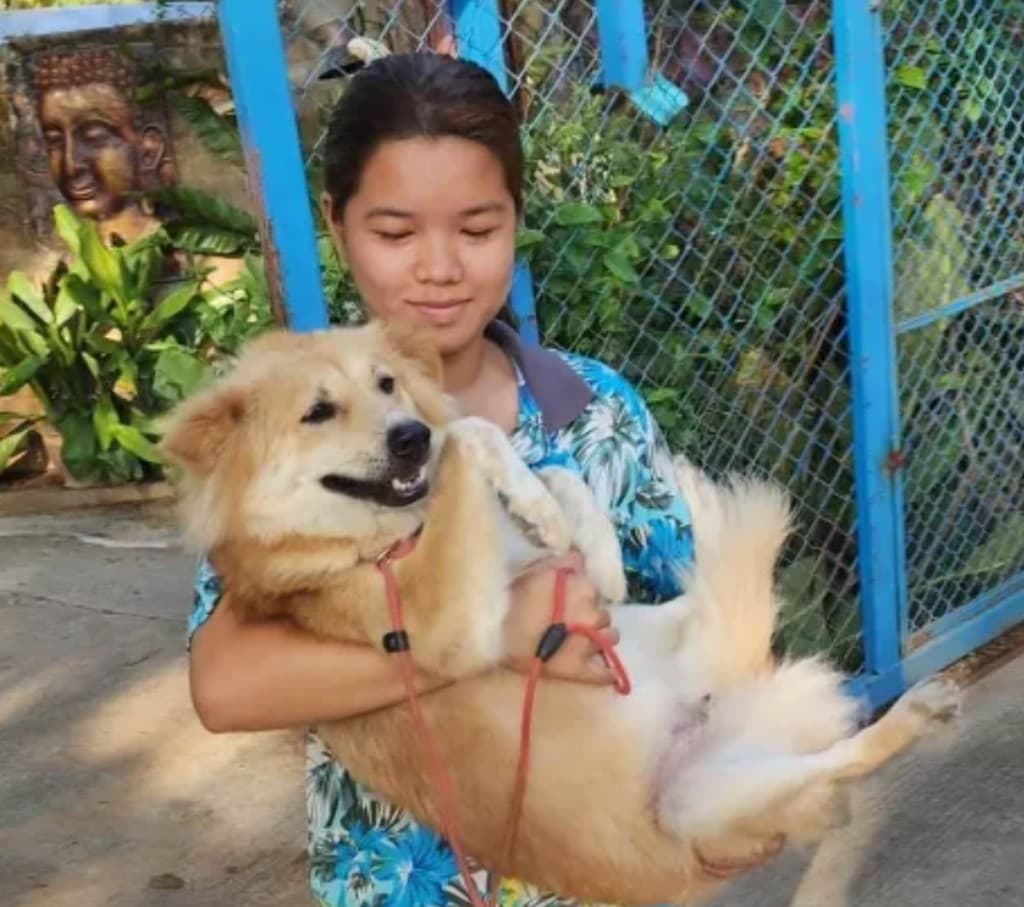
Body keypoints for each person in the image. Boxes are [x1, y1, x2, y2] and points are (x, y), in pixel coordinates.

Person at [187, 52, 696, 907]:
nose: (439, 267)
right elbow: (229, 683)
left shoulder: (594, 414)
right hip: (400, 884)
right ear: (336, 224)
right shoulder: (293, 437)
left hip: (602, 866)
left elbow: (687, 618)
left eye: (477, 228)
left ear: (516, 220)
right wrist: (491, 633)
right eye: (395, 233)